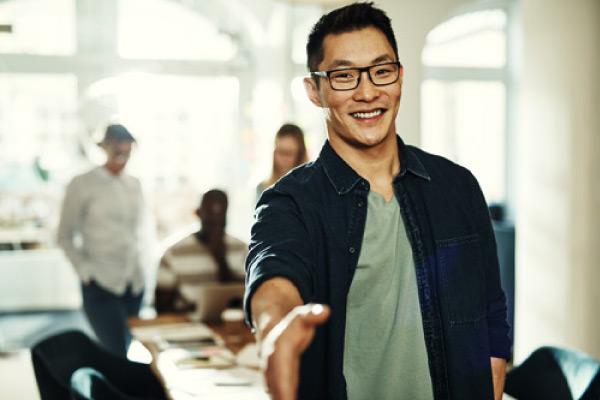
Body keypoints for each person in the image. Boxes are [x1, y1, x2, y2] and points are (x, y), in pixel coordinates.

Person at [244, 3, 511, 400]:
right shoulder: (289, 202)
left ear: (400, 77)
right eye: (344, 76)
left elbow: (491, 318)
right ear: (314, 91)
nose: (367, 92)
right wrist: (274, 327)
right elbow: (274, 276)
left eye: (381, 71)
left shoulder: (458, 187)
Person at [57, 124, 150, 358]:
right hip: (100, 281)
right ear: (105, 148)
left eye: (127, 152)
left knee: (127, 348)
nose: (123, 157)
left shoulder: (134, 184)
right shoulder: (82, 184)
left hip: (133, 283)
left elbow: (138, 231)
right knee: (114, 351)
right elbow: (64, 235)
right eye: (118, 151)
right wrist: (85, 272)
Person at [154, 189, 247, 314]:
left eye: (220, 221)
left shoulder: (241, 249)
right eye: (211, 220)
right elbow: (162, 306)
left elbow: (247, 295)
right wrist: (194, 312)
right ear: (198, 213)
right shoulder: (174, 252)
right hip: (187, 324)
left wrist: (221, 261)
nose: (215, 227)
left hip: (229, 323)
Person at [256, 123, 308, 197]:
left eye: (289, 153)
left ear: (300, 154)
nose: (284, 159)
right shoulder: (262, 188)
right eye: (280, 152)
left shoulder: (309, 189)